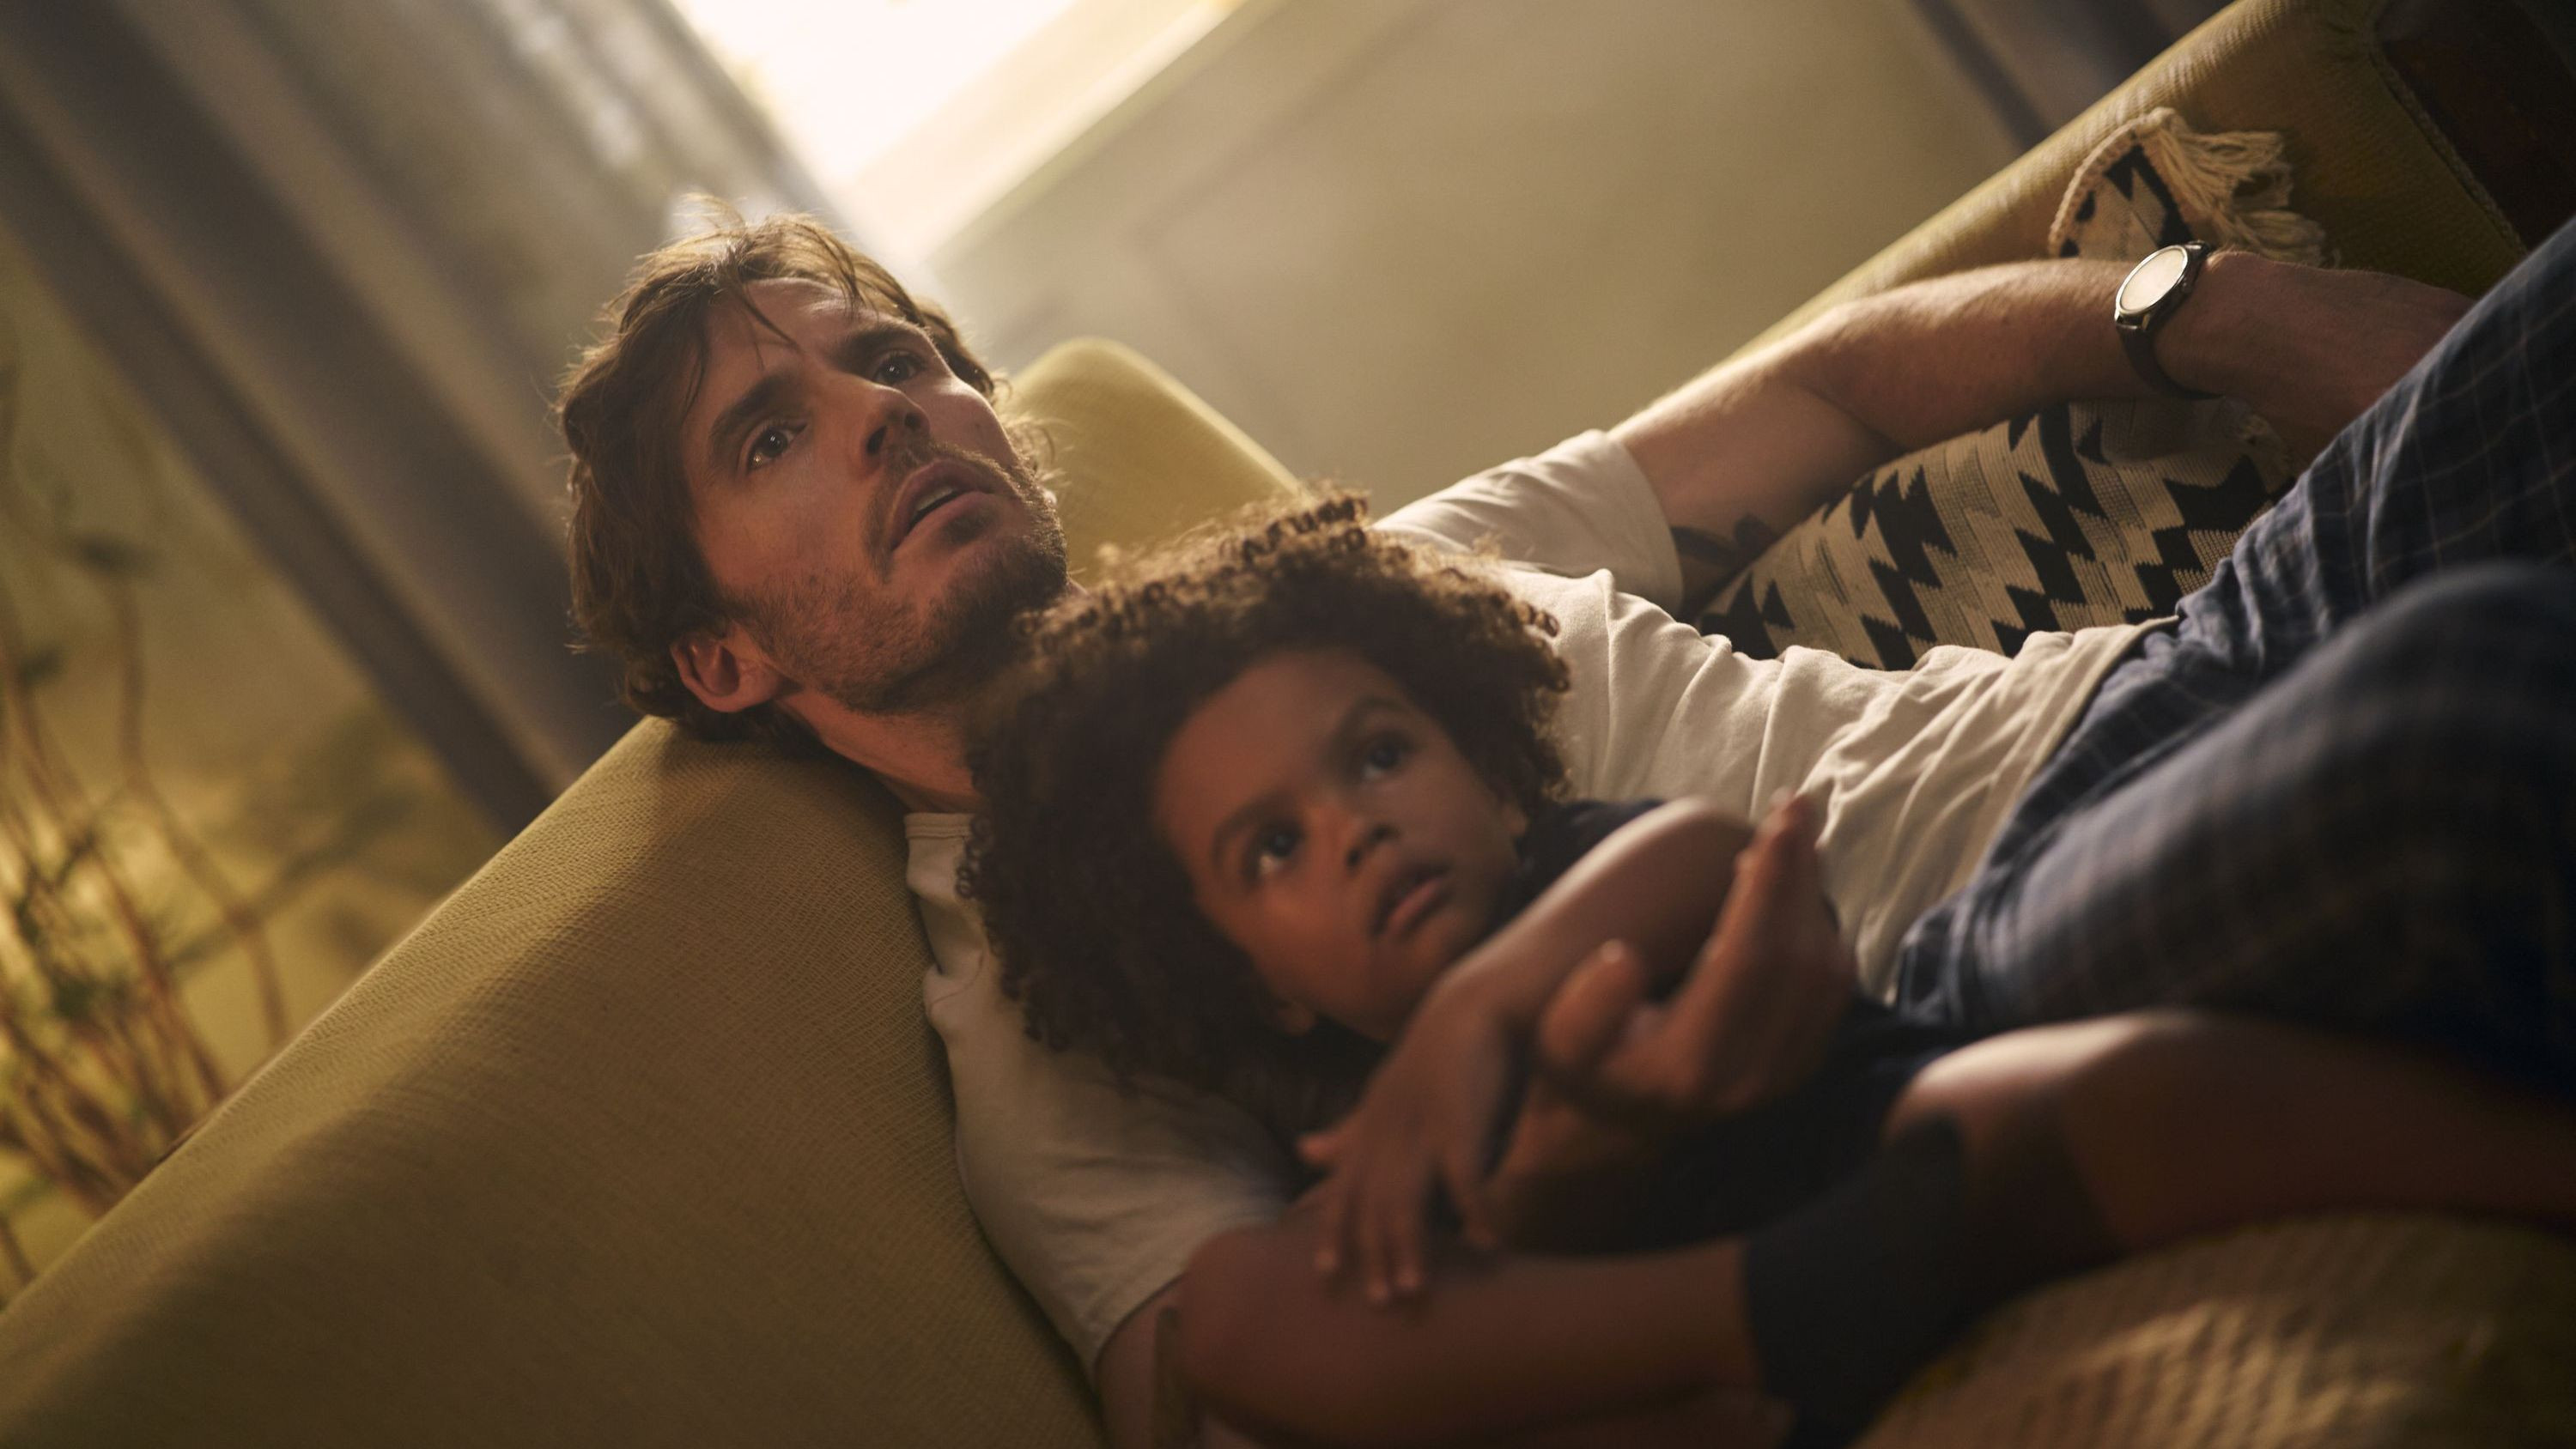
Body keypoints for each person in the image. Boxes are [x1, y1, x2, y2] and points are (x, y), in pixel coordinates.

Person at [552, 204, 2553, 1448]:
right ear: (725, 658)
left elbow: (1844, 387)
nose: (881, 415)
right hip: (1983, 968)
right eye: (773, 438)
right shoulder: (1038, 1001)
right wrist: (1576, 1184)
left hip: (2192, 649)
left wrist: (2212, 303)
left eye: (895, 361)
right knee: (2461, 708)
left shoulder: (1365, 571)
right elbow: (1255, 1376)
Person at [957, 500, 2576, 1446]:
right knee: (1239, 1312)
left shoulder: (1572, 876)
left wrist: (1495, 1002)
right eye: (1272, 849)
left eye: (1379, 756)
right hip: (1756, 1294)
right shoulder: (1350, 1152)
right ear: (1245, 980)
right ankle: (1764, 1311)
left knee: (2126, 1089)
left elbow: (1707, 864)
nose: (1356, 830)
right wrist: (1497, 1199)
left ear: (1489, 772)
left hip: (1889, 1140)